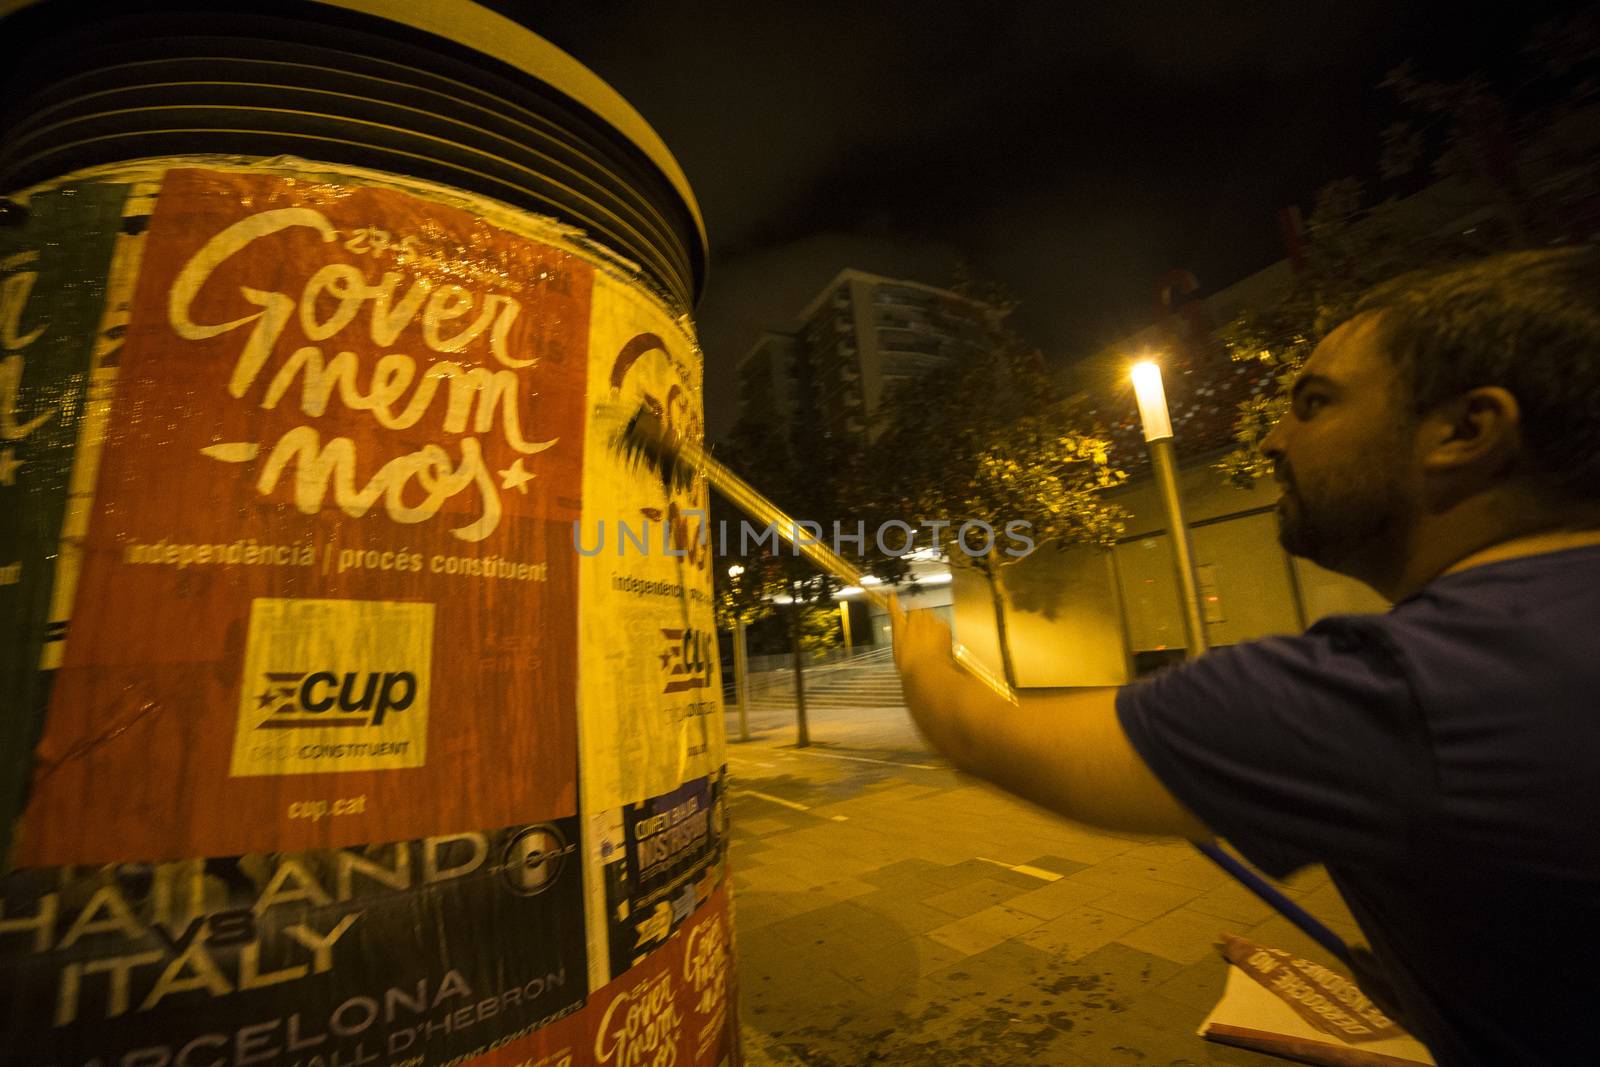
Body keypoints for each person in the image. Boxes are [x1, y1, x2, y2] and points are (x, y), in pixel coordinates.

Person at [890, 246, 1600, 1066]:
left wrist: (923, 655)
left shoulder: (1402, 687)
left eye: (1313, 402)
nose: (1271, 437)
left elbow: (987, 736)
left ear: (1465, 431)